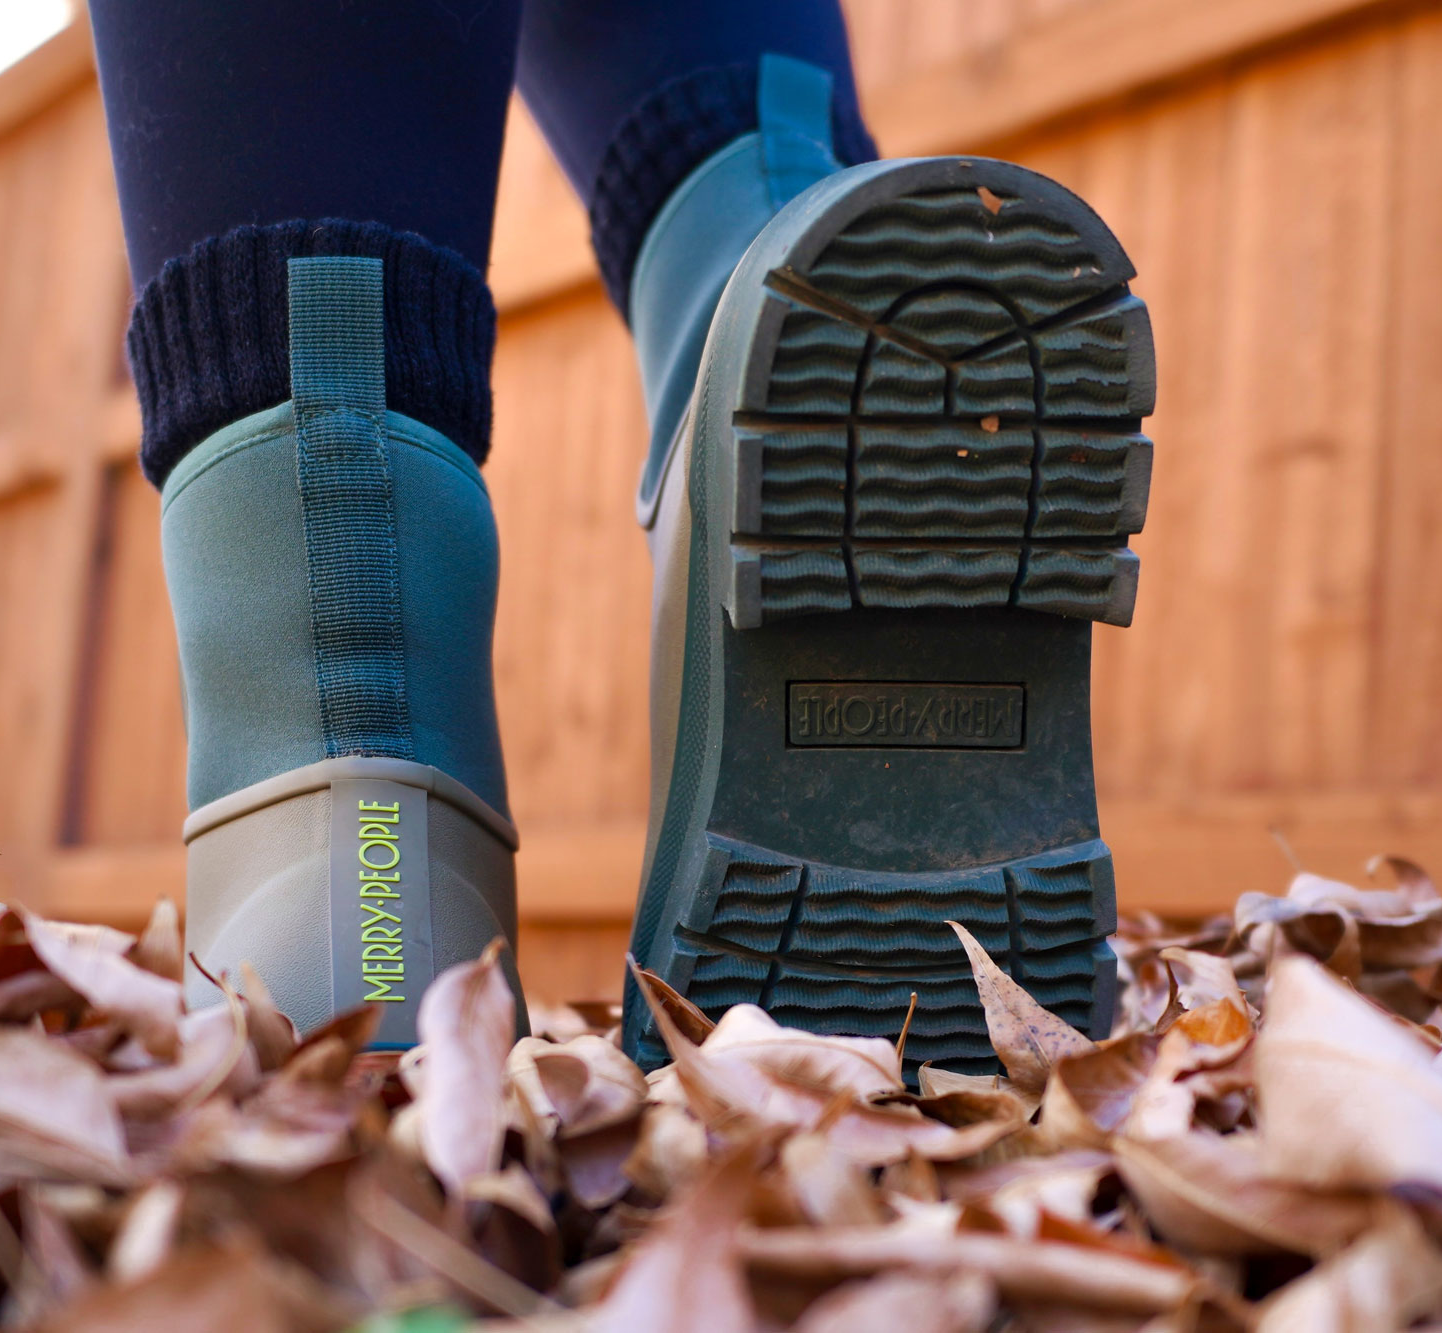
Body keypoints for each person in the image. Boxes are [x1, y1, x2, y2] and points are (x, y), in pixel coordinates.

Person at [86, 0, 1156, 1070]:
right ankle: (747, 297)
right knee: (758, 205)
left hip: (328, 937)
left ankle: (353, 892)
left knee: (333, 555)